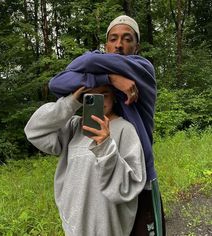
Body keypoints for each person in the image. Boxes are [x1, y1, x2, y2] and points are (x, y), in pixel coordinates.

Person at [49, 15, 166, 235]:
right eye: (113, 39)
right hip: (100, 176)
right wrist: (109, 79)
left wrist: (96, 72)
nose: (119, 45)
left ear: (137, 46)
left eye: (126, 38)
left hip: (138, 176)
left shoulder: (143, 69)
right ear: (106, 45)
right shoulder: (104, 76)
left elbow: (86, 63)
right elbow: (56, 84)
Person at [24, 85, 146, 236]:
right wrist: (70, 102)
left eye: (104, 95)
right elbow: (34, 131)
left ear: (114, 97)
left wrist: (105, 145)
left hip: (108, 226)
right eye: (89, 97)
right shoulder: (74, 127)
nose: (97, 101)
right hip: (74, 225)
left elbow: (131, 184)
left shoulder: (125, 129)